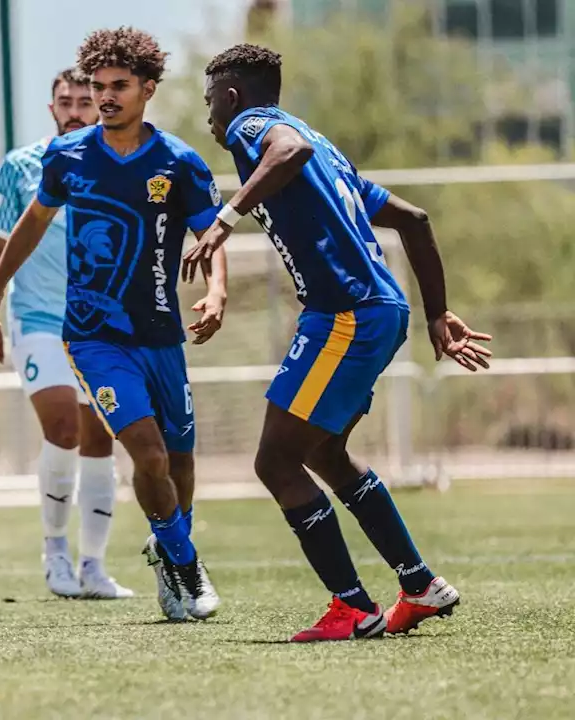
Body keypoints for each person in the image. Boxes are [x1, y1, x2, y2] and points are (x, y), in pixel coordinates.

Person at [187, 43, 493, 642]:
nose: (210, 120)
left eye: (208, 104)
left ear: (230, 97)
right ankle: (419, 585)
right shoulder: (325, 149)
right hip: (378, 310)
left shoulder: (258, 128)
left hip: (346, 314)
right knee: (324, 453)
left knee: (275, 459)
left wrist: (225, 219)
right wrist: (438, 312)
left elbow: (288, 150)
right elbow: (415, 219)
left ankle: (351, 606)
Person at [0, 27, 229, 621]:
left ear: (147, 89)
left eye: (118, 86)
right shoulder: (67, 158)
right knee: (146, 450)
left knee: (180, 459)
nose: (106, 96)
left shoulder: (178, 161)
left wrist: (217, 290)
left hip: (162, 333)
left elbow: (211, 233)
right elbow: (32, 223)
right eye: (98, 86)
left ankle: (169, 549)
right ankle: (186, 562)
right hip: (91, 335)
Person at [0, 67, 128, 600]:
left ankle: (94, 564)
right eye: (65, 102)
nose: (75, 111)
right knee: (63, 427)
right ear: (52, 108)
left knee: (100, 436)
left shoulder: (113, 163)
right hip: (37, 319)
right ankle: (55, 551)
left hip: (102, 323)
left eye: (84, 102)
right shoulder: (21, 167)